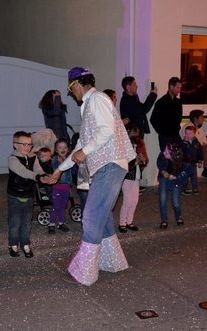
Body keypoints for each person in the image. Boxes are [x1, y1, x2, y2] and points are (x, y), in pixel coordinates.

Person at [52, 67, 135, 286]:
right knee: (103, 216)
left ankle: (84, 272)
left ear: (77, 84)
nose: (71, 94)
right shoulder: (91, 103)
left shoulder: (97, 98)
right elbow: (80, 145)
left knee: (90, 216)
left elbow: (105, 131)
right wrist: (59, 169)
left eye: (71, 90)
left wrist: (84, 152)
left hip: (109, 165)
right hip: (108, 166)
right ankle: (112, 261)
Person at [7, 131, 52, 258]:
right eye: (24, 144)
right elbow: (23, 172)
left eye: (30, 145)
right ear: (15, 144)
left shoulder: (33, 157)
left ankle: (25, 244)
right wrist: (38, 177)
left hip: (29, 194)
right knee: (15, 222)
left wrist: (44, 175)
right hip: (15, 195)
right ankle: (13, 245)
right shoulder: (12, 159)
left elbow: (38, 169)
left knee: (27, 221)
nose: (28, 147)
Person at [157, 142, 193, 229]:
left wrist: (177, 177)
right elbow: (159, 162)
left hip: (177, 179)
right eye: (164, 151)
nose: (164, 153)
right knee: (162, 197)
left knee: (175, 201)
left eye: (167, 152)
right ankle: (164, 219)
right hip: (165, 176)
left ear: (173, 155)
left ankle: (178, 216)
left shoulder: (183, 161)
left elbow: (190, 171)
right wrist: (162, 171)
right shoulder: (162, 156)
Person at [118, 125, 146, 233]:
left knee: (134, 200)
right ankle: (122, 223)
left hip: (136, 177)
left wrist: (142, 160)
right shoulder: (125, 148)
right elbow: (124, 166)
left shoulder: (134, 147)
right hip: (128, 178)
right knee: (127, 201)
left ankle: (129, 221)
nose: (137, 136)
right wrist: (136, 163)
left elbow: (140, 163)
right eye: (136, 133)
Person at [181, 109, 207, 184]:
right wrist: (199, 143)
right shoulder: (187, 127)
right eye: (202, 117)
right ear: (195, 118)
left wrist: (200, 143)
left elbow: (205, 141)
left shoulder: (201, 127)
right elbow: (189, 141)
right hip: (189, 150)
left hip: (198, 148)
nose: (203, 119)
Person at [150, 77, 183, 151]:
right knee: (167, 158)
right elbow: (153, 119)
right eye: (177, 87)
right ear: (171, 87)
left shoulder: (178, 102)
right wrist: (162, 132)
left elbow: (179, 118)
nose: (179, 90)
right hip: (165, 136)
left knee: (179, 156)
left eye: (180, 88)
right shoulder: (161, 102)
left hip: (175, 135)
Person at [49, 138, 72, 234]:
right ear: (56, 150)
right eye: (60, 147)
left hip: (66, 187)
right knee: (56, 207)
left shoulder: (69, 159)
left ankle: (61, 223)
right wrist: (62, 164)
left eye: (65, 147)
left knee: (63, 206)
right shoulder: (55, 159)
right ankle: (51, 224)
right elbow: (56, 170)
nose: (63, 149)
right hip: (57, 187)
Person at [181, 126, 202, 195]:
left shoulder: (196, 143)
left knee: (194, 176)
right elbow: (182, 150)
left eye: (189, 133)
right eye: (186, 133)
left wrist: (200, 160)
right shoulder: (183, 143)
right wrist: (185, 143)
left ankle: (195, 188)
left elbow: (200, 152)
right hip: (185, 163)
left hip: (193, 163)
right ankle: (184, 188)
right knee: (185, 177)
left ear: (194, 134)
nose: (187, 135)